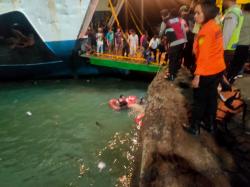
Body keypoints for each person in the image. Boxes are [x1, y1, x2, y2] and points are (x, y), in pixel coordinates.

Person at [184, 2, 226, 135]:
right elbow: (218, 49)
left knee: (199, 100)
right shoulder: (214, 25)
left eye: (198, 13)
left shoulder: (206, 31)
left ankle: (194, 127)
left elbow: (204, 56)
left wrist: (197, 76)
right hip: (217, 68)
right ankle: (211, 125)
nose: (195, 16)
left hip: (207, 71)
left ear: (207, 13)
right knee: (212, 98)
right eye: (194, 13)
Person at [226, 3, 250, 83]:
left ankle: (226, 80)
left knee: (231, 65)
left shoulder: (239, 14)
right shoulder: (248, 17)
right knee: (236, 66)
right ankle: (228, 82)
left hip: (233, 44)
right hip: (244, 46)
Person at [163, 9, 187, 81]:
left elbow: (167, 34)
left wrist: (166, 43)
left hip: (174, 42)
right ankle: (174, 72)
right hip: (181, 41)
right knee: (177, 58)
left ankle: (171, 75)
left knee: (172, 59)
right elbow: (184, 30)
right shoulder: (180, 20)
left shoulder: (169, 22)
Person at [222, 0, 243, 67]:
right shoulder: (238, 11)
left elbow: (227, 33)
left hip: (226, 48)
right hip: (231, 46)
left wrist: (221, 49)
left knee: (221, 72)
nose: (223, 2)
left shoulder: (232, 13)